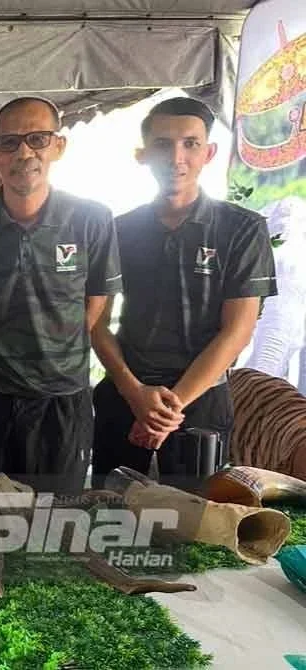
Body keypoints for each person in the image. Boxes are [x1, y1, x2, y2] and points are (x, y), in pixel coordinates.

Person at [91, 97, 277, 485]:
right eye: (163, 144)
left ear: (208, 152)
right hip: (125, 394)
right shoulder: (118, 229)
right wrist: (134, 392)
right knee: (111, 522)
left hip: (202, 401)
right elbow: (95, 323)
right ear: (142, 155)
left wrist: (168, 411)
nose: (176, 156)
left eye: (190, 143)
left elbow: (238, 330)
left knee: (194, 528)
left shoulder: (241, 228)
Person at [0, 96, 121, 495]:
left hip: (62, 399)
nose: (24, 152)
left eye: (38, 139)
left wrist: (55, 344)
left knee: (56, 521)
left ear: (58, 146)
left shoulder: (92, 219)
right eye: (10, 142)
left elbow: (95, 302)